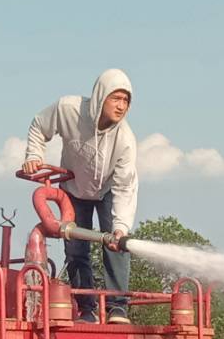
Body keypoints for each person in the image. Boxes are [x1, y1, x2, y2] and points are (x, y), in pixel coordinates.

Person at [22, 69, 137, 323]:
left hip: (107, 191)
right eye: (115, 98)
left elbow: (125, 186)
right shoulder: (68, 109)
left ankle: (117, 307)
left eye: (126, 101)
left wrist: (120, 226)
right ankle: (87, 309)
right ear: (100, 96)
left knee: (116, 244)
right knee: (75, 248)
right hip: (73, 189)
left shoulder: (125, 139)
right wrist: (33, 156)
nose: (121, 106)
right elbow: (39, 125)